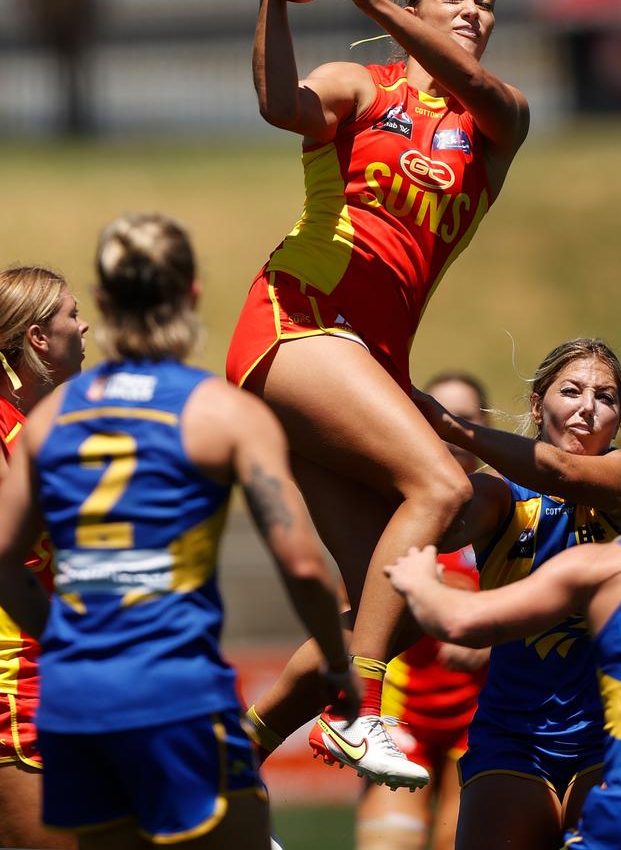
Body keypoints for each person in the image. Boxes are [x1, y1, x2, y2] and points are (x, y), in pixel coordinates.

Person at [227, 0, 529, 789]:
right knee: (438, 484)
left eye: (485, 2)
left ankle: (227, 757)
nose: (473, 12)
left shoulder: (498, 116)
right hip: (299, 322)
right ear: (417, 1)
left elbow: (472, 81)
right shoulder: (363, 82)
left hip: (365, 363)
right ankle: (358, 714)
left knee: (386, 597)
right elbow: (282, 104)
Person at [0, 214, 359, 850]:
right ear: (192, 294)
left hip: (74, 707)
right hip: (177, 698)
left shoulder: (55, 419)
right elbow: (304, 568)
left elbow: (5, 563)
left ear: (107, 305)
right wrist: (339, 665)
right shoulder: (222, 411)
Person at [389, 337, 621, 850]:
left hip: (613, 740)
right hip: (514, 740)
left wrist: (451, 424)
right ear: (536, 403)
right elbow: (433, 518)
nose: (588, 408)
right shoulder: (498, 494)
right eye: (571, 390)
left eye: (607, 397)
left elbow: (564, 472)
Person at [356, 372, 491, 850]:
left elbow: (553, 609)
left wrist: (490, 639)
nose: (448, 433)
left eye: (464, 420)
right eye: (436, 419)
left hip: (483, 720)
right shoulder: (396, 512)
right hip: (401, 716)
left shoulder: (515, 509)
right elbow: (347, 610)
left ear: (482, 428)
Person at [0, 265, 88, 850]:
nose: (86, 327)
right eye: (73, 315)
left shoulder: (57, 426)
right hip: (21, 687)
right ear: (38, 337)